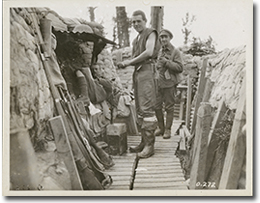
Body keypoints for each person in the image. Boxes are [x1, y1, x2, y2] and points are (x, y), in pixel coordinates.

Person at [117, 10, 159, 158]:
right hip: (139, 73)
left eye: (138, 21)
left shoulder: (150, 33)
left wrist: (128, 62)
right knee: (140, 108)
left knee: (147, 108)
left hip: (147, 71)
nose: (135, 24)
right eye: (133, 22)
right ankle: (143, 142)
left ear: (145, 21)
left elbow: (148, 52)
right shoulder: (136, 39)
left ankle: (149, 146)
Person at [154, 29, 183, 139]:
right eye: (161, 37)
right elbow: (158, 65)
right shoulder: (160, 51)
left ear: (170, 38)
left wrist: (167, 62)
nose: (163, 39)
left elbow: (180, 68)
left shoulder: (175, 51)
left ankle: (167, 130)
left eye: (165, 37)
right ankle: (160, 128)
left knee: (169, 107)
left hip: (170, 84)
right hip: (159, 83)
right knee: (156, 106)